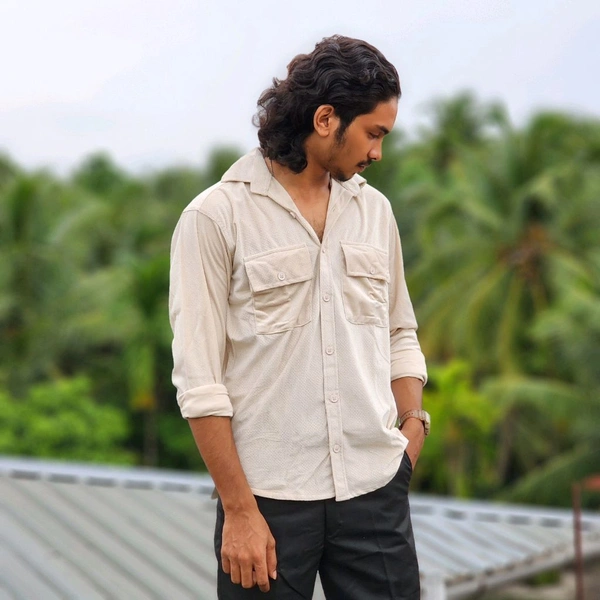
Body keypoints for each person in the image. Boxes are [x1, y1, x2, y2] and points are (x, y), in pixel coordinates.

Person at [169, 34, 429, 600]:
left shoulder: (375, 211)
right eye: (374, 134)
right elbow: (199, 380)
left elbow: (399, 331)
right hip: (266, 503)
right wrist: (240, 510)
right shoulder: (215, 217)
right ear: (326, 119)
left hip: (374, 489)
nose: (378, 153)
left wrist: (412, 429)